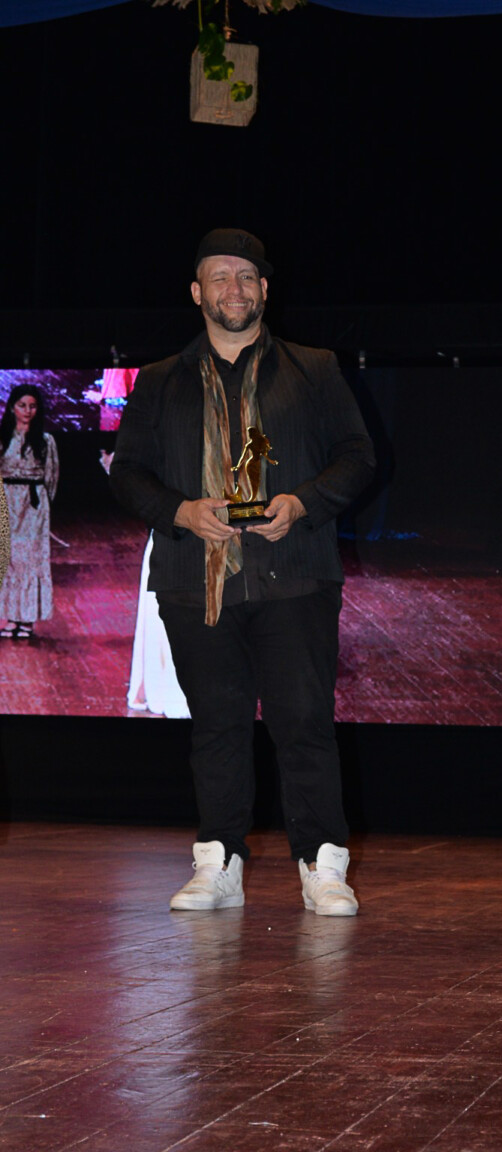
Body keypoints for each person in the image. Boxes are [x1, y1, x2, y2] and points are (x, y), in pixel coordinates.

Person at [110, 228, 375, 915]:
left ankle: (322, 865)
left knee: (304, 723)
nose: (235, 288)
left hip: (296, 574)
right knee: (217, 727)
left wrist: (303, 502)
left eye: (247, 276)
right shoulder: (160, 380)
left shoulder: (314, 368)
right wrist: (180, 511)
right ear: (197, 292)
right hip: (193, 580)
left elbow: (357, 456)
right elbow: (128, 474)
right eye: (220, 277)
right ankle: (218, 862)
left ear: (265, 289)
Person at [0, 385, 59, 640]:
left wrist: (42, 505)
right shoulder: (3, 438)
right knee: (8, 559)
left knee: (31, 559)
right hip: (5, 503)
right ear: (12, 407)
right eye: (22, 405)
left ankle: (27, 619)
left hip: (33, 507)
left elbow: (52, 476)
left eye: (32, 406)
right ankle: (11, 617)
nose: (27, 411)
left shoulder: (45, 441)